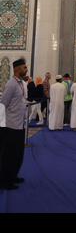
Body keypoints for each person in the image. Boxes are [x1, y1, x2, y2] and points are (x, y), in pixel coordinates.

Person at [0, 58, 28, 190]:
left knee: (18, 155)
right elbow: (3, 102)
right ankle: (5, 181)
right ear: (17, 69)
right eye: (24, 67)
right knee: (9, 156)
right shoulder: (11, 84)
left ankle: (13, 176)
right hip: (11, 126)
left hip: (20, 124)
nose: (26, 69)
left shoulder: (21, 83)